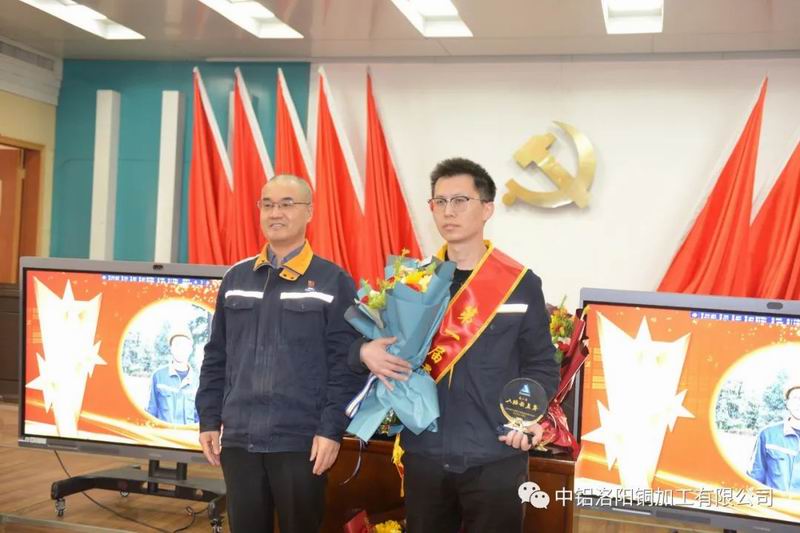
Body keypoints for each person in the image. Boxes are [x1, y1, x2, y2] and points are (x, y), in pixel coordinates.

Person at [351, 158, 560, 533]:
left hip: (496, 453)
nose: (448, 211)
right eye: (440, 202)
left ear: (487, 208)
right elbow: (383, 346)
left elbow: (542, 364)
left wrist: (530, 417)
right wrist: (366, 352)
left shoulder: (519, 284)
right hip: (426, 451)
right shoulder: (414, 283)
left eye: (460, 200)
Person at [196, 174, 365, 533]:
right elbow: (216, 356)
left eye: (287, 204)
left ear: (309, 212)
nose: (276, 213)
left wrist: (331, 430)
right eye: (268, 204)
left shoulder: (333, 281)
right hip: (240, 440)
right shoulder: (236, 278)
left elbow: (347, 365)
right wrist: (209, 419)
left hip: (301, 442)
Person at [747, 380, 800, 493]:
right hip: (774, 503)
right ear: (787, 404)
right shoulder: (767, 435)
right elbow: (754, 477)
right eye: (796, 398)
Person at [146, 330, 199, 425]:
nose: (180, 349)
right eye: (177, 345)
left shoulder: (198, 381)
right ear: (171, 349)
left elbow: (200, 417)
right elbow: (150, 412)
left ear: (190, 349)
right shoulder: (158, 376)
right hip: (163, 433)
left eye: (184, 345)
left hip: (188, 434)